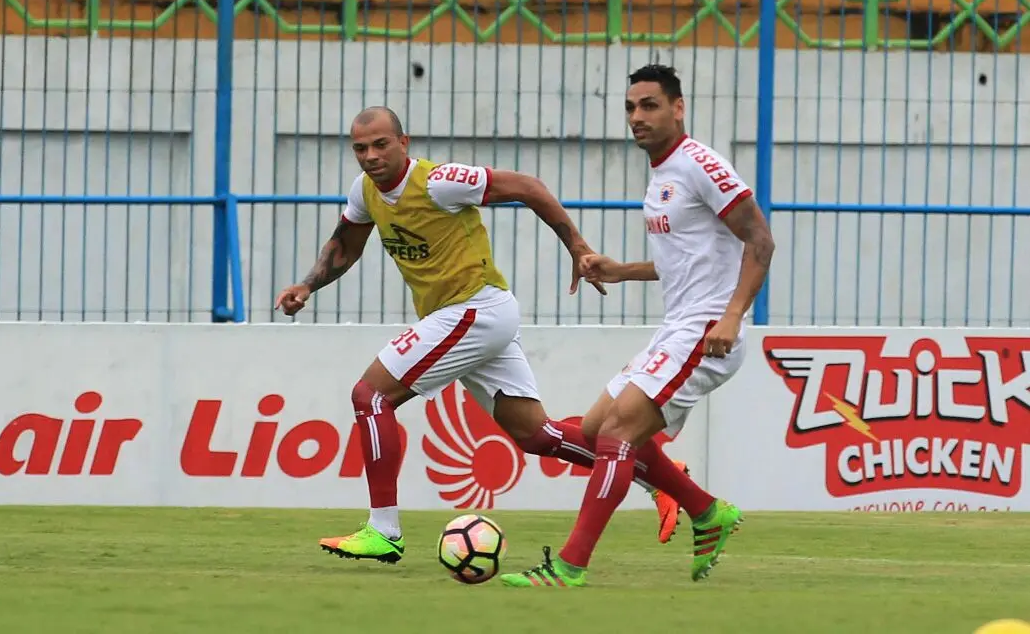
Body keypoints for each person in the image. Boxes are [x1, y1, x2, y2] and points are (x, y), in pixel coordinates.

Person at [275, 106, 694, 564]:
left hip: (475, 309)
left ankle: (384, 530)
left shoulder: (439, 182)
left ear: (404, 142)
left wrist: (577, 247)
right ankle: (662, 476)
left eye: (380, 144)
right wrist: (307, 285)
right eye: (360, 148)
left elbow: (530, 188)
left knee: (370, 396)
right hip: (468, 318)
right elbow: (346, 245)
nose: (371, 156)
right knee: (536, 435)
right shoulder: (365, 193)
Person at [500, 64, 775, 588]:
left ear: (678, 108)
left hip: (707, 332)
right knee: (595, 429)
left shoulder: (700, 166)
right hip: (679, 327)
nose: (636, 117)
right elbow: (689, 261)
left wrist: (733, 316)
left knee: (619, 433)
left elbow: (760, 240)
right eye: (630, 107)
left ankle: (569, 567)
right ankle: (705, 511)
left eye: (649, 105)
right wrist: (621, 270)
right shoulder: (662, 175)